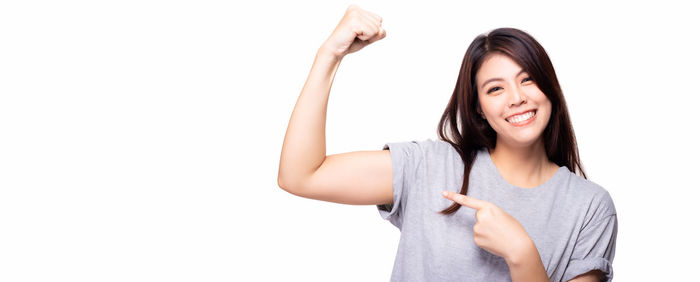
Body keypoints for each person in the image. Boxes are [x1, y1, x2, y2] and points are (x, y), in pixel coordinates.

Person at [277, 4, 617, 282]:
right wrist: (329, 55)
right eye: (495, 88)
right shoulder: (428, 166)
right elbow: (301, 175)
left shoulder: (590, 207)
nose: (516, 98)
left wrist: (521, 253)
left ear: (549, 88)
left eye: (527, 80)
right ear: (479, 110)